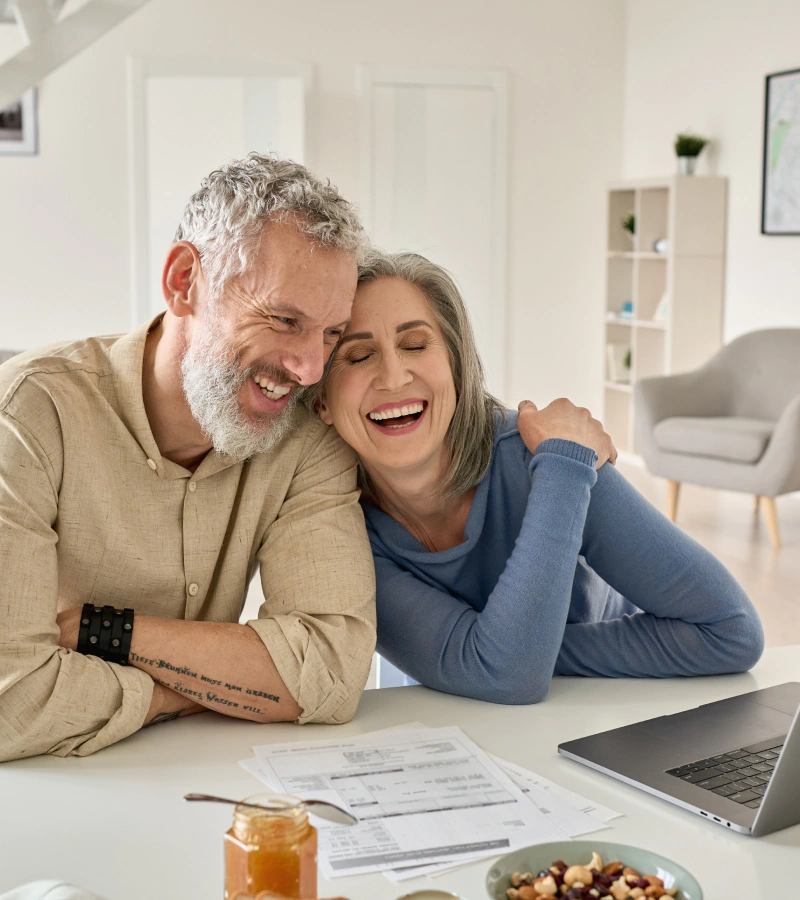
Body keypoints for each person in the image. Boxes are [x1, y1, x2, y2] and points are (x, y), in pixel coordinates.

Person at [0, 154, 376, 762]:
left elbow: (330, 674)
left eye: (331, 333)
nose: (309, 368)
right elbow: (9, 701)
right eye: (284, 319)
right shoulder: (29, 413)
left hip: (195, 787)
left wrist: (107, 633)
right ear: (183, 283)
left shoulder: (308, 444)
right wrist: (199, 690)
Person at [317, 251, 765, 703]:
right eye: (357, 356)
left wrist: (508, 652)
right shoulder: (336, 532)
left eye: (415, 345)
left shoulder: (552, 458)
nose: (394, 376)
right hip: (457, 728)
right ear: (321, 403)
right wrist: (504, 655)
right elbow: (504, 672)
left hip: (606, 711)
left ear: (455, 366)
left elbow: (731, 630)